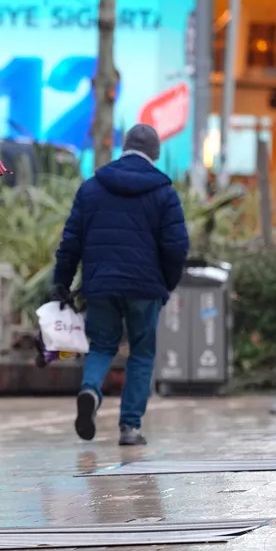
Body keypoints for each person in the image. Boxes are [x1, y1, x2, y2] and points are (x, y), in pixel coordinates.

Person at [51, 124, 189, 445]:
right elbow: (177, 246)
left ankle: (90, 391)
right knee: (141, 353)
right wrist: (165, 284)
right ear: (155, 154)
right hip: (145, 288)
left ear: (123, 148)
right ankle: (130, 428)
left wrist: (61, 281)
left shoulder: (92, 188)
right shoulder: (164, 193)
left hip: (100, 286)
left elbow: (70, 241)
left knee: (101, 345)